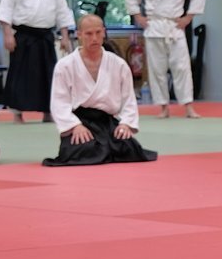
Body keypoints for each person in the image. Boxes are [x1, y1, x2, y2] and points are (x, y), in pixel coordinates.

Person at [43, 14, 156, 166]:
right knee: (83, 150)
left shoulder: (118, 64)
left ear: (104, 32)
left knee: (128, 148)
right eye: (89, 34)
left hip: (107, 121)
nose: (94, 38)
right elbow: (59, 102)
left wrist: (126, 123)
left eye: (98, 32)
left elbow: (128, 99)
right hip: (80, 120)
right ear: (79, 35)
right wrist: (74, 126)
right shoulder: (65, 65)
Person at [125, 0, 206, 119]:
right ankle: (163, 107)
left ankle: (188, 106)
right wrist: (138, 16)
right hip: (154, 26)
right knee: (157, 69)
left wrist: (189, 17)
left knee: (182, 67)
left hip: (175, 27)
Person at [0, 0, 75, 123]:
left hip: (45, 35)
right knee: (20, 75)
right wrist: (7, 35)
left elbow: (61, 9)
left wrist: (64, 36)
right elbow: (6, 9)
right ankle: (18, 113)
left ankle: (48, 112)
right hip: (24, 35)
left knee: (48, 75)